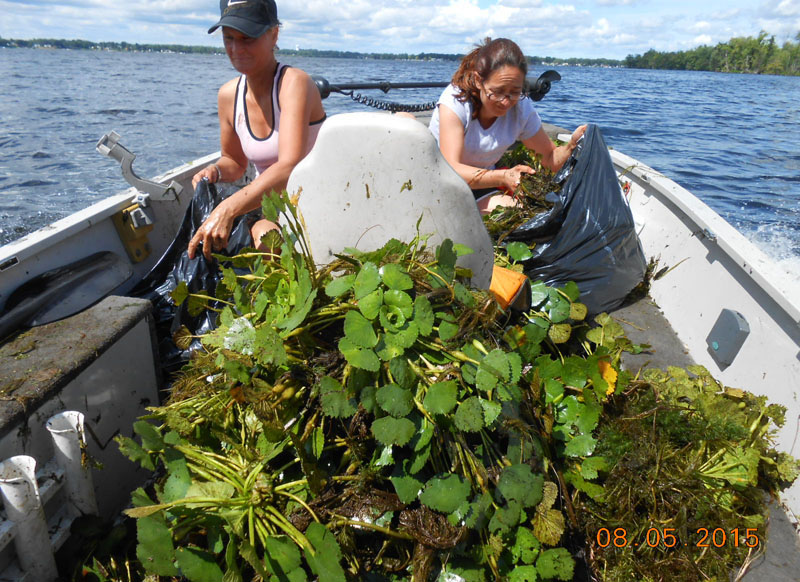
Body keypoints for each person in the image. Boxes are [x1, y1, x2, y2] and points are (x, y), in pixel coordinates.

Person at [188, 0, 326, 260]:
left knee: (264, 241)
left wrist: (228, 209)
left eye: (247, 38)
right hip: (272, 209)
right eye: (229, 38)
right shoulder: (228, 95)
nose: (236, 49)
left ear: (274, 34)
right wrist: (215, 171)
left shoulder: (294, 83)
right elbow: (235, 162)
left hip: (318, 203)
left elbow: (289, 167)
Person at [429, 38, 586, 213]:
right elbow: (450, 169)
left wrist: (572, 145)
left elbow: (549, 159)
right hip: (439, 183)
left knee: (526, 210)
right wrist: (503, 176)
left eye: (515, 92)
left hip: (482, 184)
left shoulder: (521, 108)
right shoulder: (455, 103)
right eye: (497, 92)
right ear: (479, 80)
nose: (506, 102)